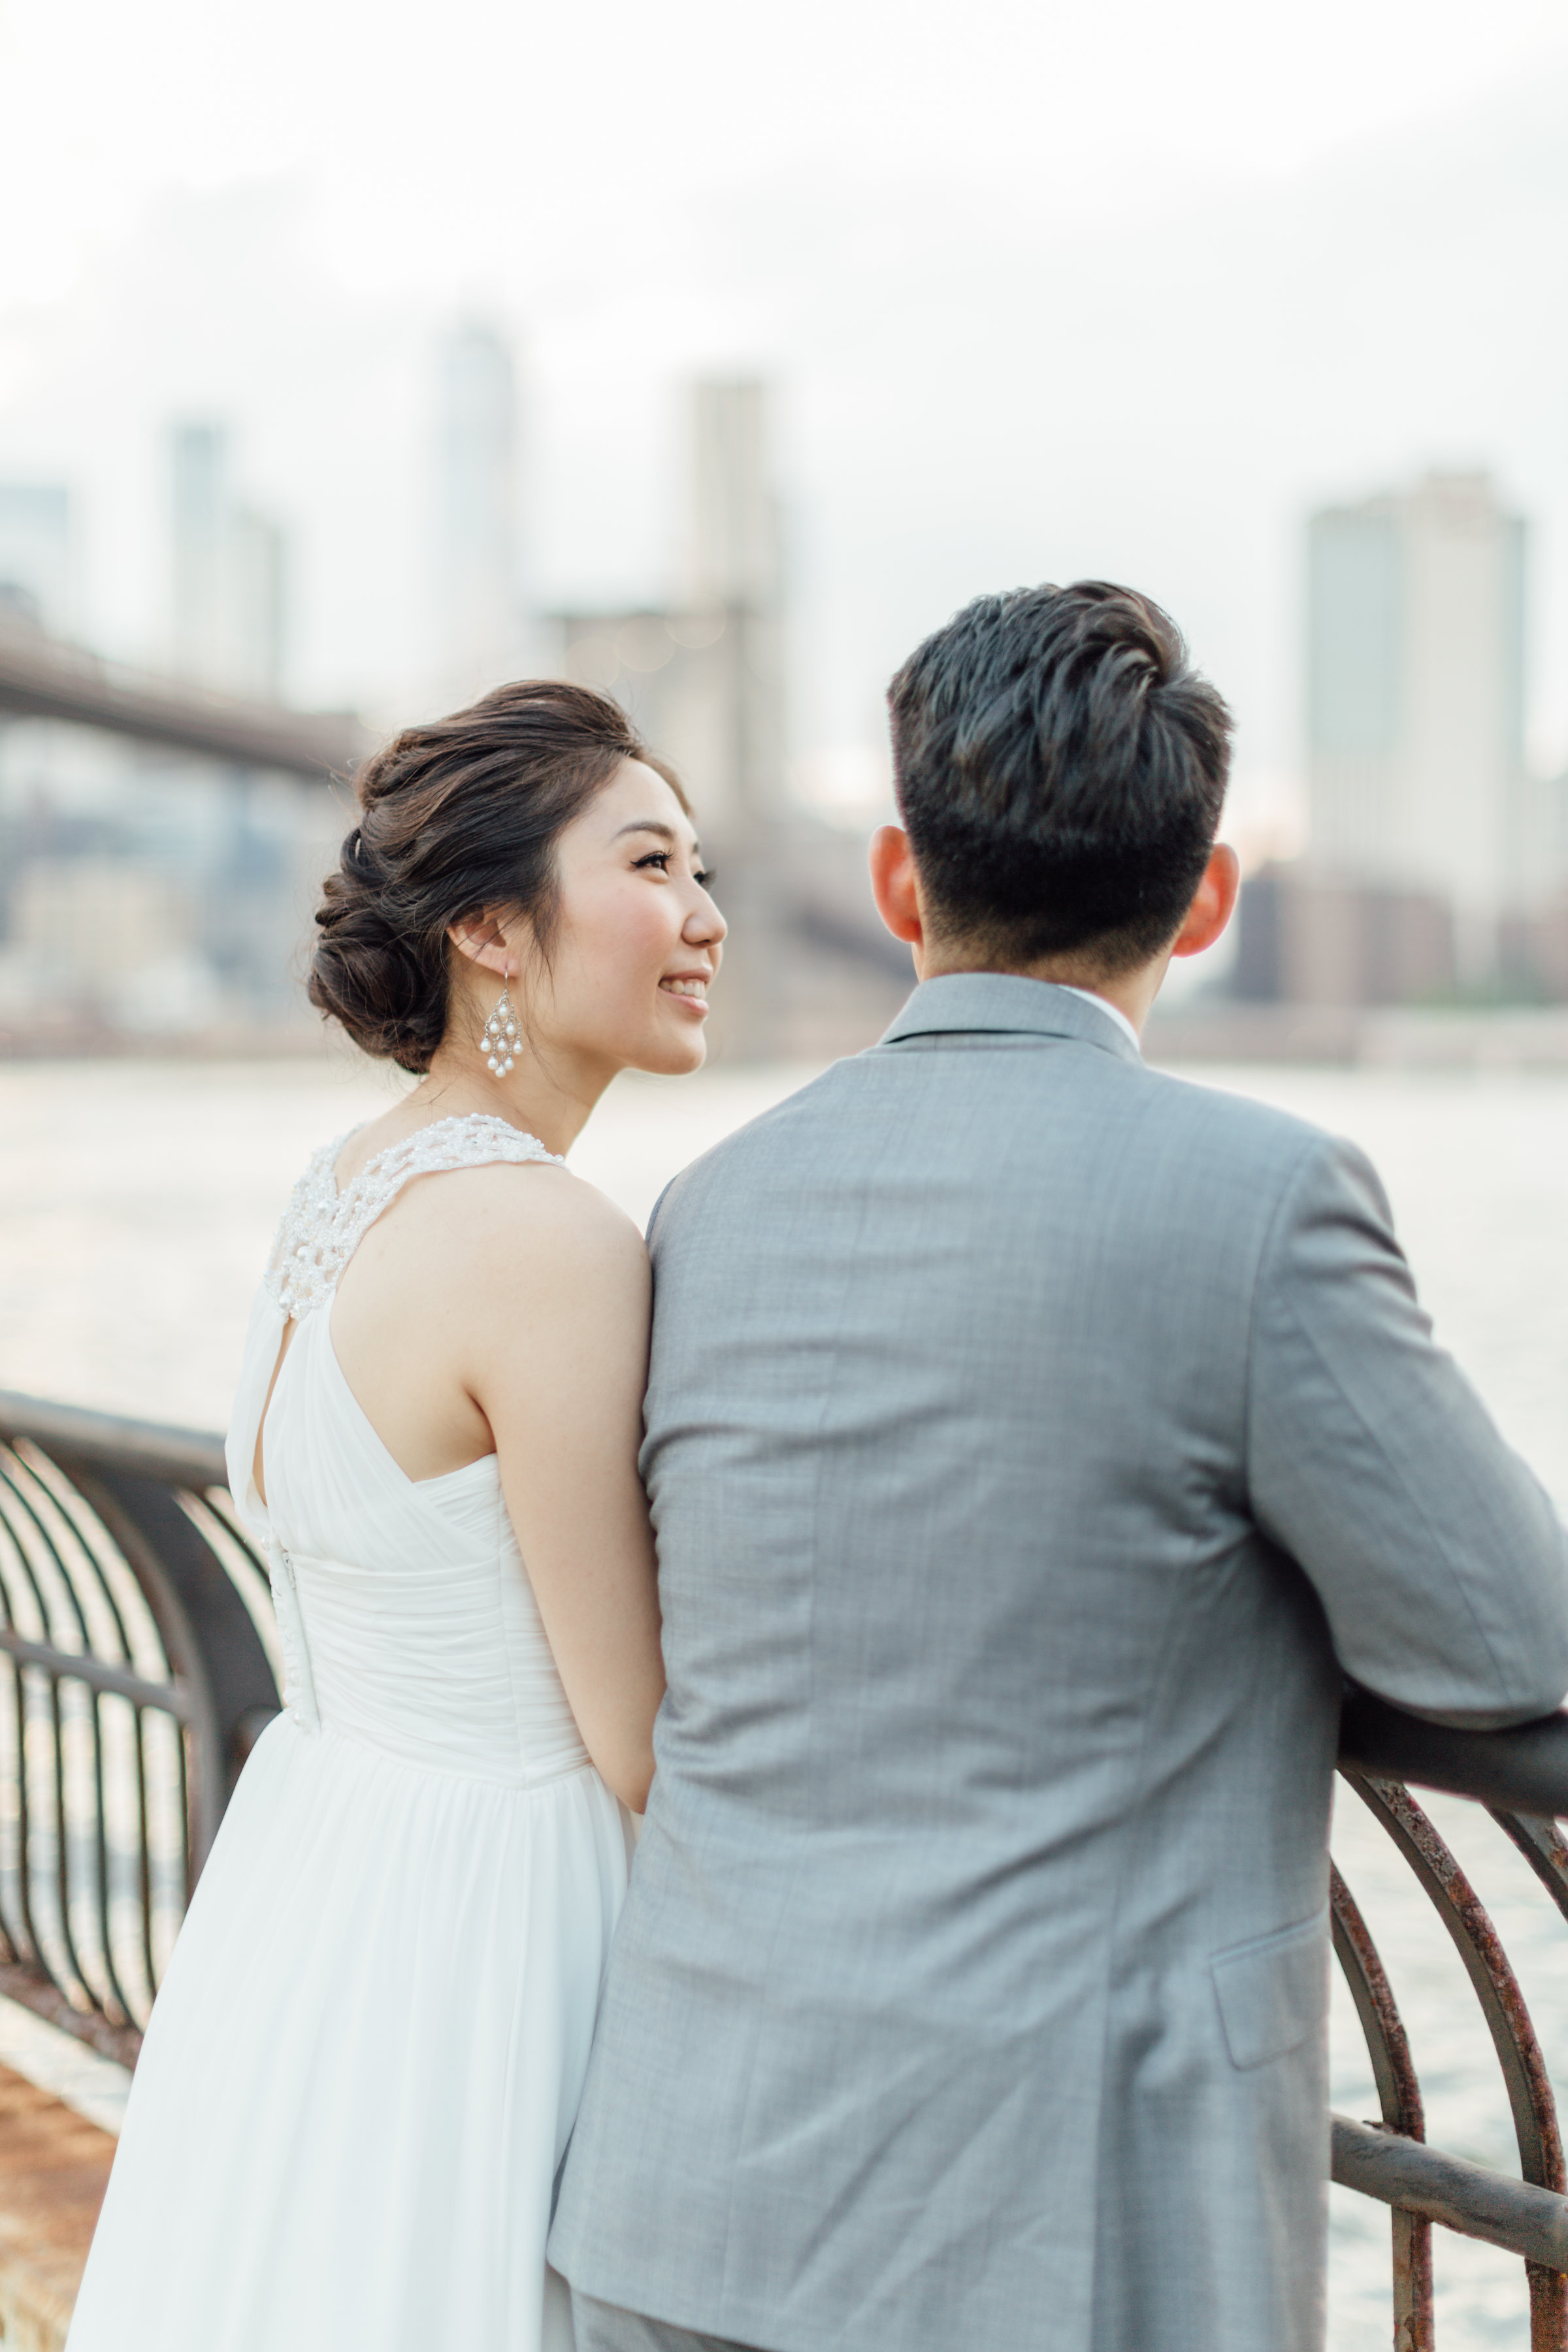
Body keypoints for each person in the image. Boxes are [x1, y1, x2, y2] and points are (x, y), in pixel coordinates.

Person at [549, 581, 1568, 2352]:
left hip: (682, 2193)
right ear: (1206, 898)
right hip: (1058, 2240)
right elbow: (1510, 1645)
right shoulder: (1264, 1202)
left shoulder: (709, 1209)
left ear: (895, 884)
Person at [65, 679, 726, 2352]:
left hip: (331, 1873)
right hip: (503, 1926)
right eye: (652, 865)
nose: (705, 918)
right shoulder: (550, 1242)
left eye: (703, 869)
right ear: (496, 928)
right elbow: (637, 1740)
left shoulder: (350, 1182)